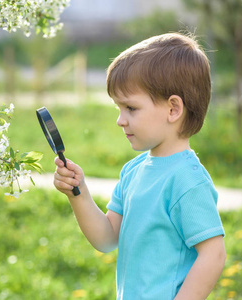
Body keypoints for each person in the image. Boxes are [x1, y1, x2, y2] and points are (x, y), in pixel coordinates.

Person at [53, 32, 226, 299]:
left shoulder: (188, 181)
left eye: (130, 108)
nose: (120, 120)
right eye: (118, 109)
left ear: (173, 109)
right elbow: (107, 238)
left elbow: (213, 254)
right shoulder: (133, 171)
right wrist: (79, 193)